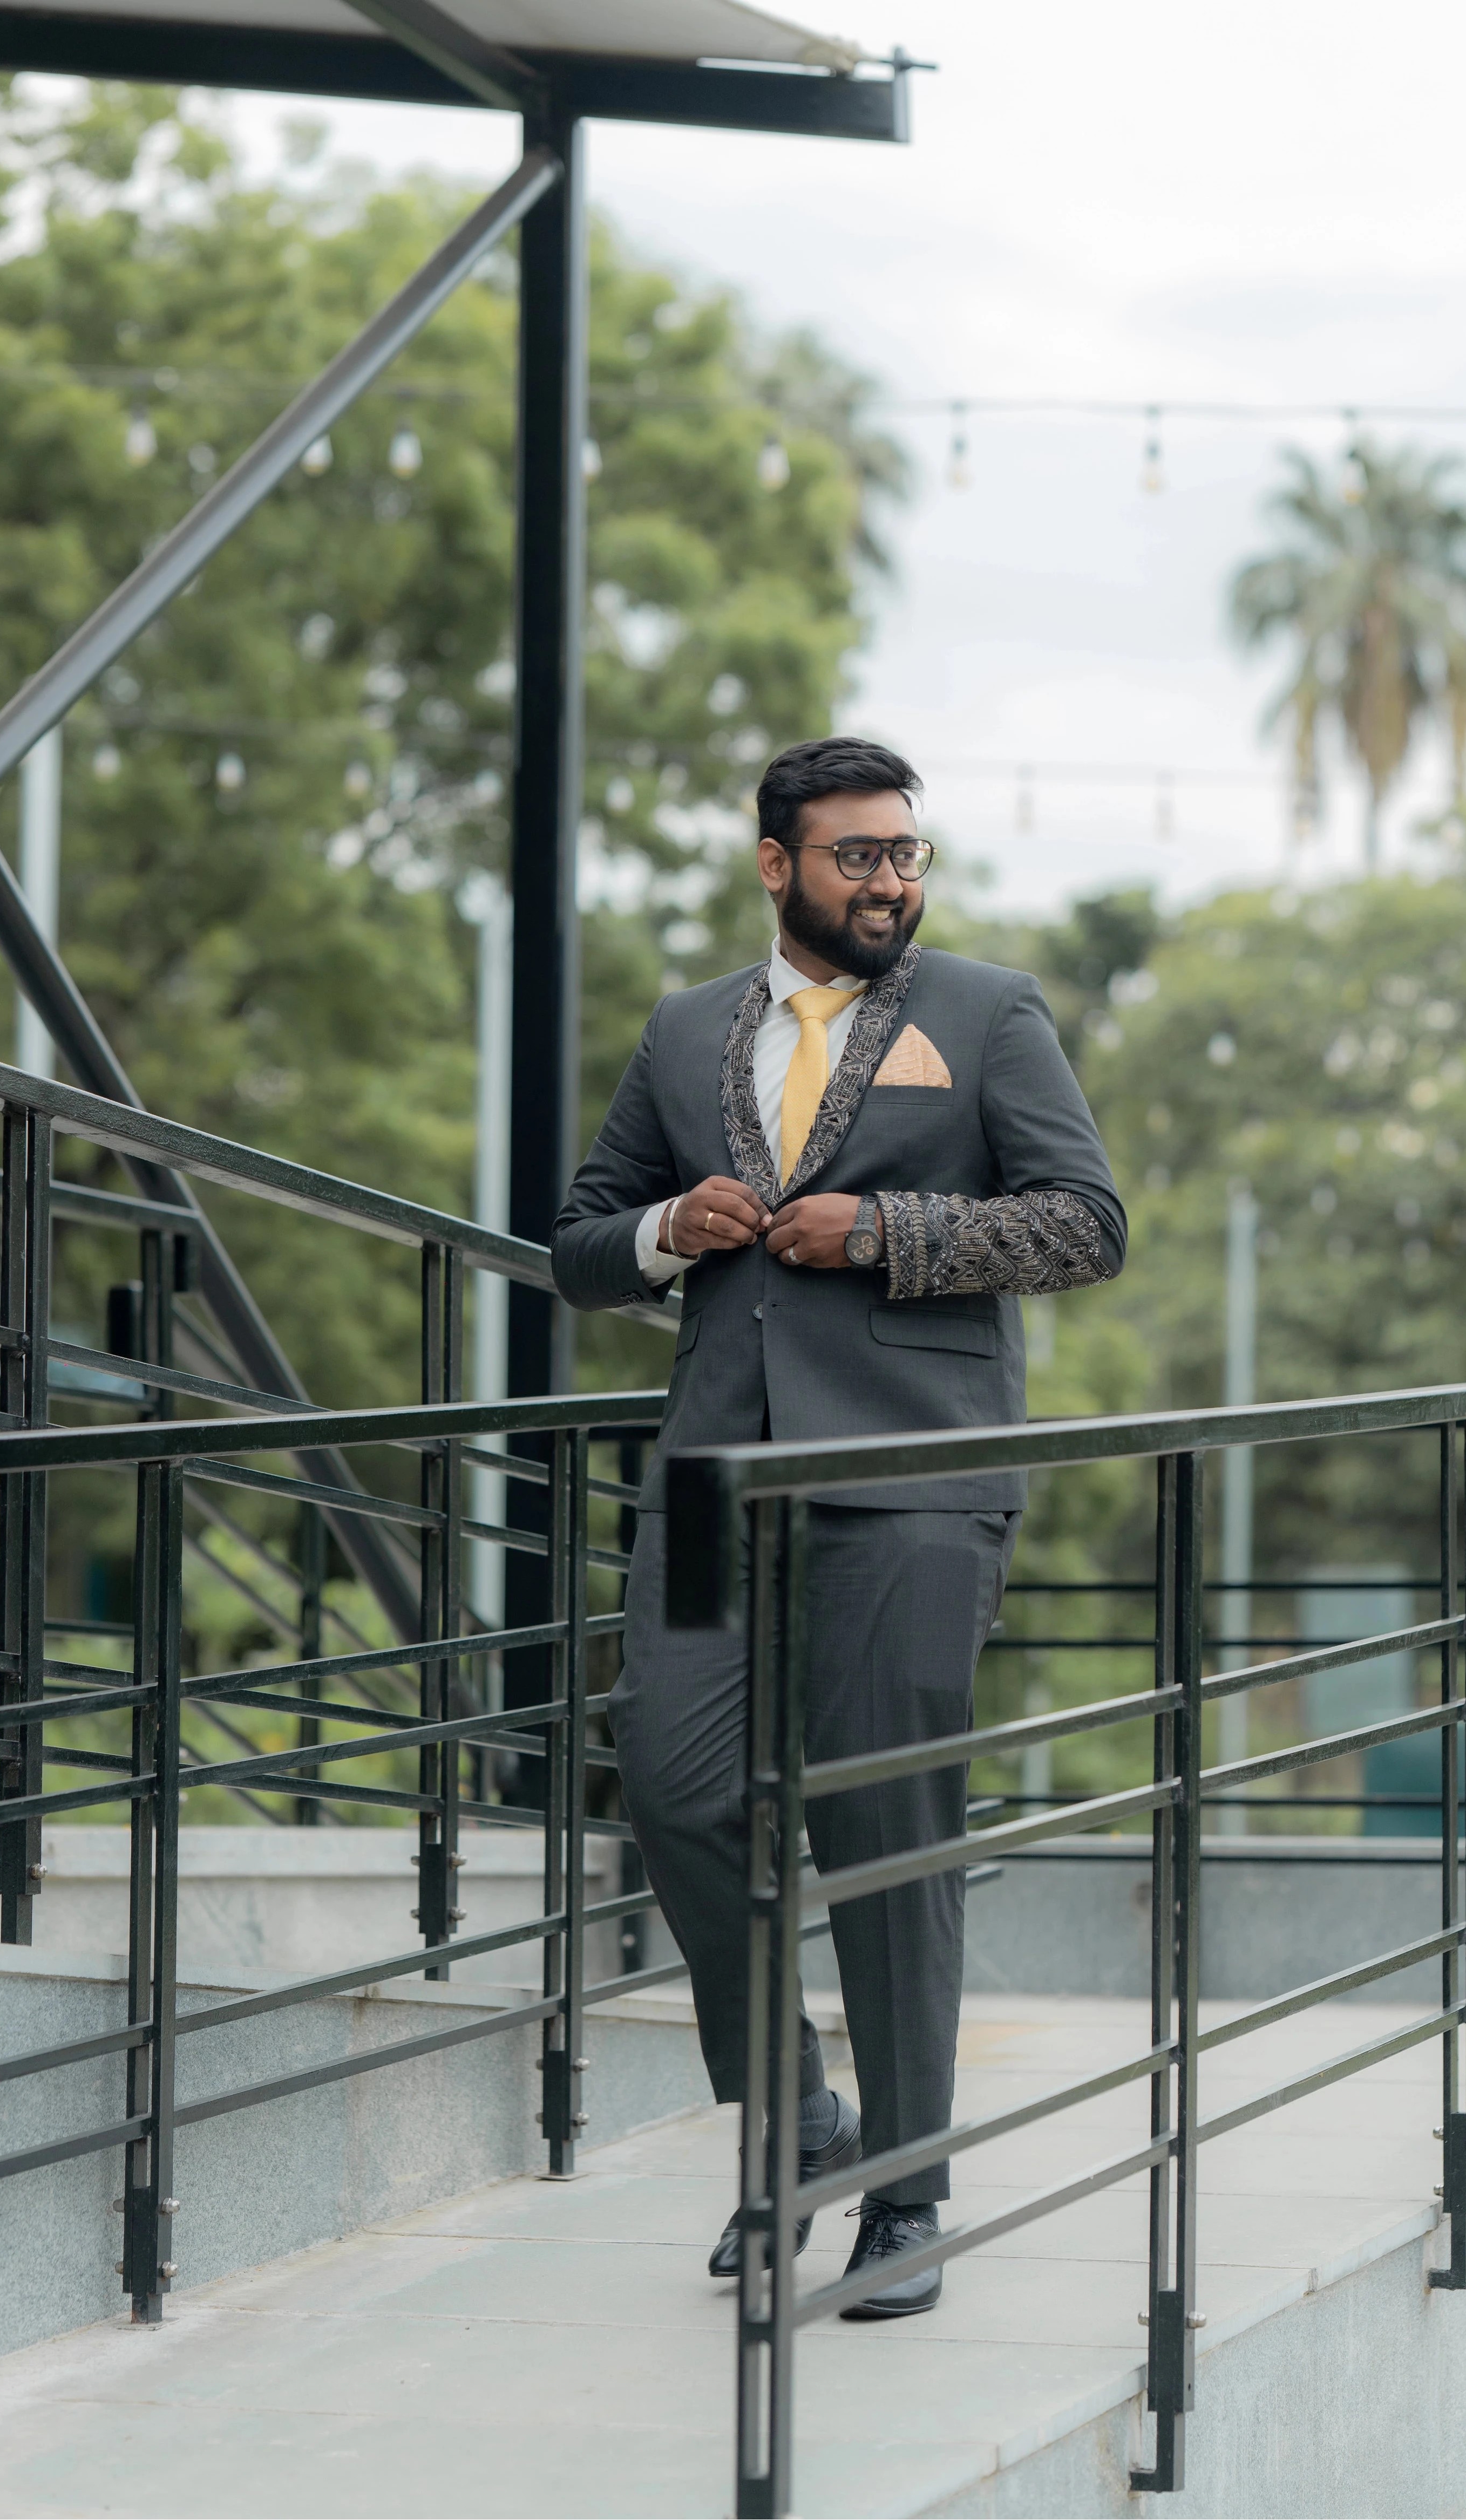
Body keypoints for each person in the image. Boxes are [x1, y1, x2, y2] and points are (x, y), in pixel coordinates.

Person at [551, 735, 1126, 2317]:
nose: (889, 881)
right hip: (706, 1472)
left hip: (915, 1476)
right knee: (665, 1783)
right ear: (774, 863)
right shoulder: (682, 1033)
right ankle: (793, 2110)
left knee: (883, 1827)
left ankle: (904, 2193)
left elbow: (1084, 1223)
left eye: (903, 854)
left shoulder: (988, 1012)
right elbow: (577, 1244)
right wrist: (669, 1230)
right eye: (856, 855)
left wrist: (882, 1230)